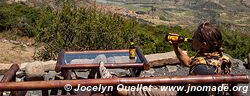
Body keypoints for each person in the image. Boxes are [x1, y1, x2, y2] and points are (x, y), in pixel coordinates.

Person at [99, 22, 236, 96]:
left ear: (204, 44)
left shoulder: (203, 68)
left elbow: (188, 88)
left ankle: (113, 88)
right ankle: (118, 83)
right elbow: (188, 62)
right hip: (192, 90)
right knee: (152, 83)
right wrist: (176, 47)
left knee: (148, 91)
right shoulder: (217, 57)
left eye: (195, 38)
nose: (192, 39)